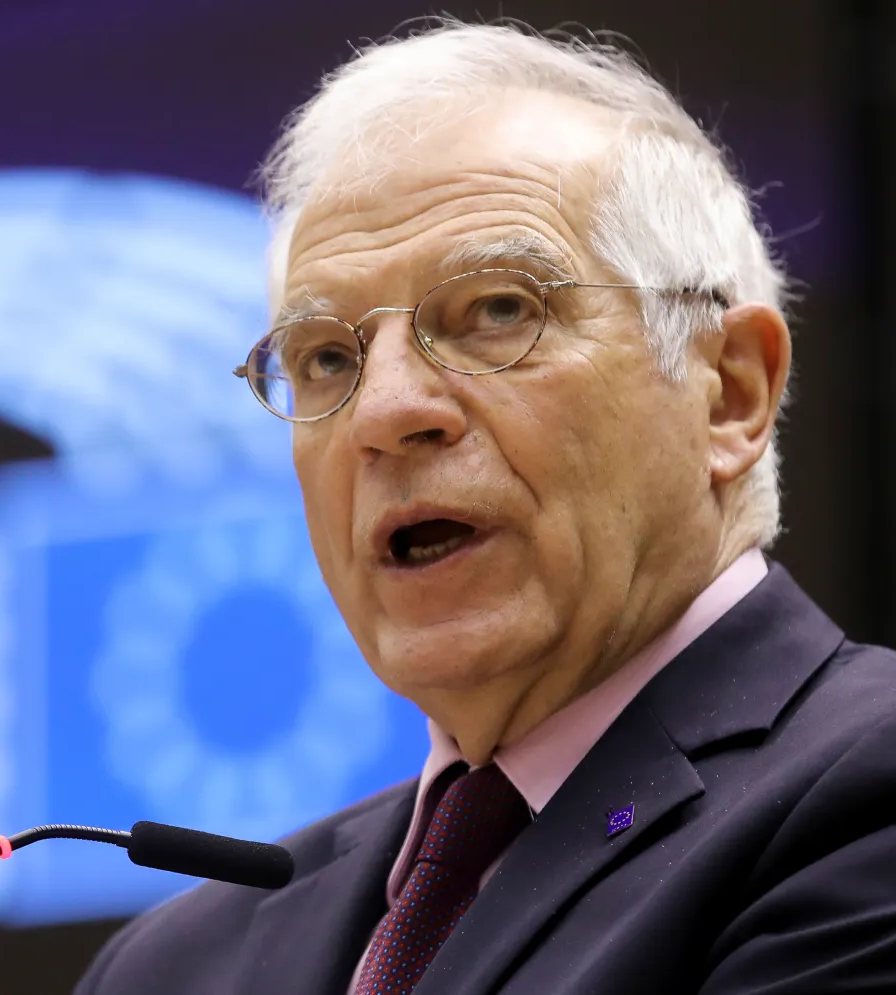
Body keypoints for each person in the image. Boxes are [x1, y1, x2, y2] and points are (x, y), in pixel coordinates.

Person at [73, 19, 896, 995]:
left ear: (728, 391)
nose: (383, 412)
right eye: (328, 357)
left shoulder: (863, 797)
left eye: (499, 310)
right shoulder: (174, 962)